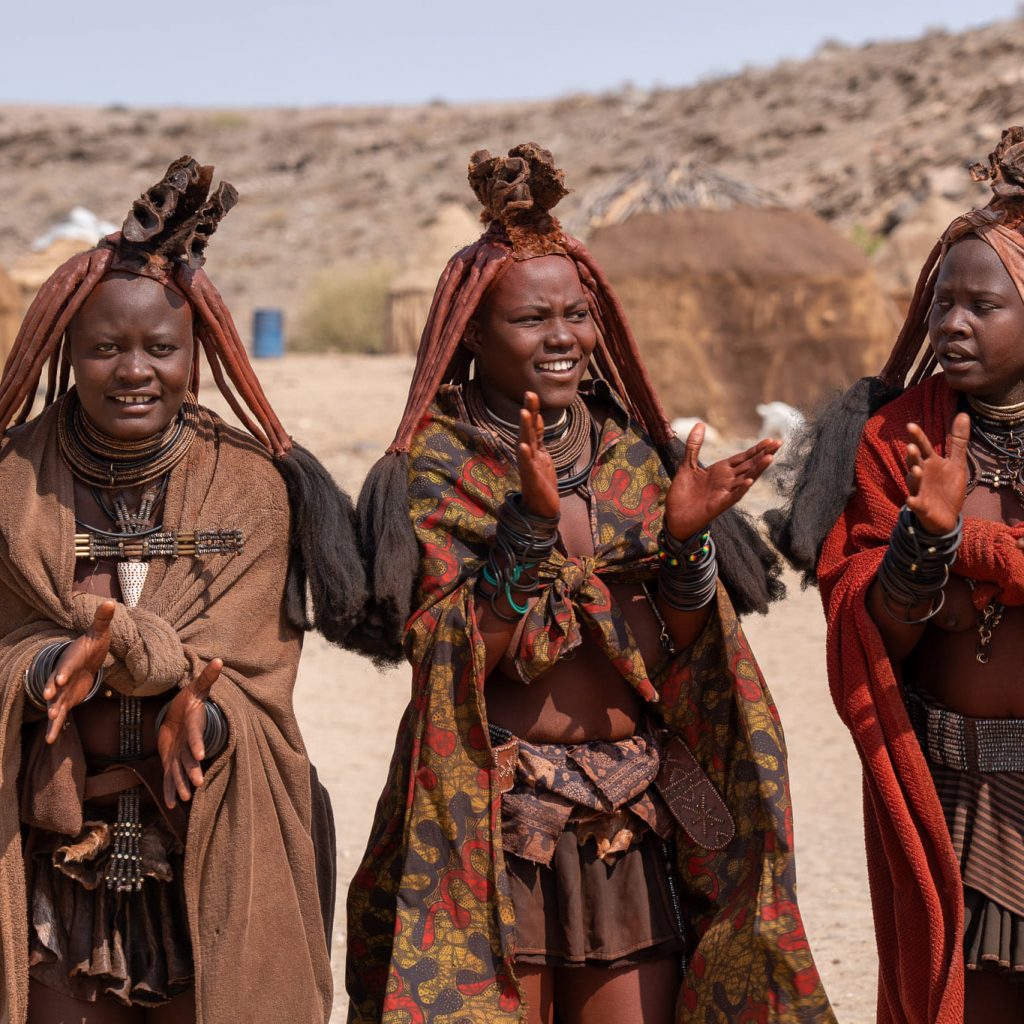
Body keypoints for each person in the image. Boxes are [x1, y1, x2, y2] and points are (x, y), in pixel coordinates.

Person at [345, 144, 834, 1024]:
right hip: (499, 823)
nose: (564, 337)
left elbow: (687, 655)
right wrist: (526, 532)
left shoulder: (632, 458)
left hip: (631, 817)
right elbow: (454, 662)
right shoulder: (438, 467)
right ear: (472, 336)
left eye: (578, 314)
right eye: (534, 319)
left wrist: (686, 546)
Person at [0, 157, 364, 1023]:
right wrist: (52, 660)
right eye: (105, 347)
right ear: (66, 352)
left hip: (211, 839)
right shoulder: (14, 481)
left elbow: (257, 677)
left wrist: (207, 706)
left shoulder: (246, 485)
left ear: (193, 356)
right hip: (55, 851)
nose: (134, 370)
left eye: (160, 348)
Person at [768, 127, 1024, 1023]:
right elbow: (870, 624)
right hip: (947, 791)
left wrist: (977, 554)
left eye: (981, 306)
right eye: (942, 301)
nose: (950, 323)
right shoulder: (897, 435)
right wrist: (921, 548)